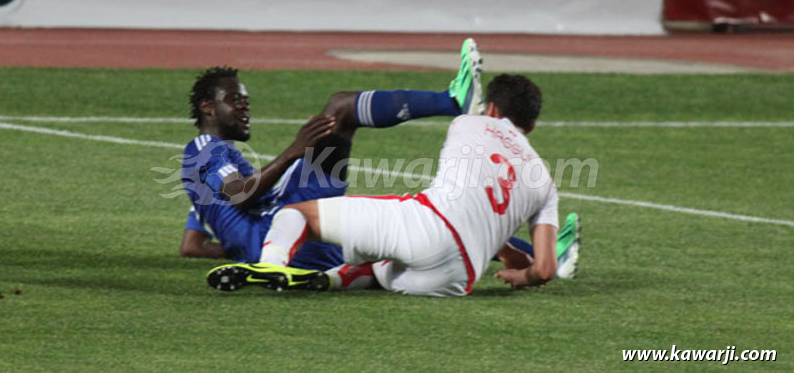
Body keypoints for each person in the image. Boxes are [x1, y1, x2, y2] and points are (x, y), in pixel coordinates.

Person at [206, 73, 582, 296]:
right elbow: (543, 271)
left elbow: (467, 193)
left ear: (493, 110)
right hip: (458, 277)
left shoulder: (470, 122)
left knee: (295, 214)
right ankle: (326, 282)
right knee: (380, 270)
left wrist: (456, 102)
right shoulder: (545, 181)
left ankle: (272, 265)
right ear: (530, 127)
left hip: (425, 228)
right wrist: (523, 271)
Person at [179, 39, 485, 274]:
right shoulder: (205, 148)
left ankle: (517, 251)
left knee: (405, 237)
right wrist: (294, 151)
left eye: (246, 101)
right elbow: (238, 195)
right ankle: (454, 100)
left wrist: (241, 249)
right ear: (208, 107)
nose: (245, 108)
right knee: (340, 108)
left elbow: (192, 247)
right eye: (235, 100)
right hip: (280, 226)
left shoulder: (209, 175)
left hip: (286, 244)